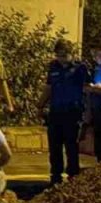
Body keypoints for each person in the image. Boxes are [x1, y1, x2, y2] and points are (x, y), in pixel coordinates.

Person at [38, 39, 88, 185]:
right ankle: (56, 176)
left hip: (73, 112)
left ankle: (73, 175)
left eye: (64, 55)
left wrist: (87, 113)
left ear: (71, 54)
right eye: (59, 55)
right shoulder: (53, 67)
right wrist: (40, 105)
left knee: (71, 145)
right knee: (55, 145)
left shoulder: (80, 68)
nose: (61, 58)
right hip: (56, 112)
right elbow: (49, 87)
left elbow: (87, 90)